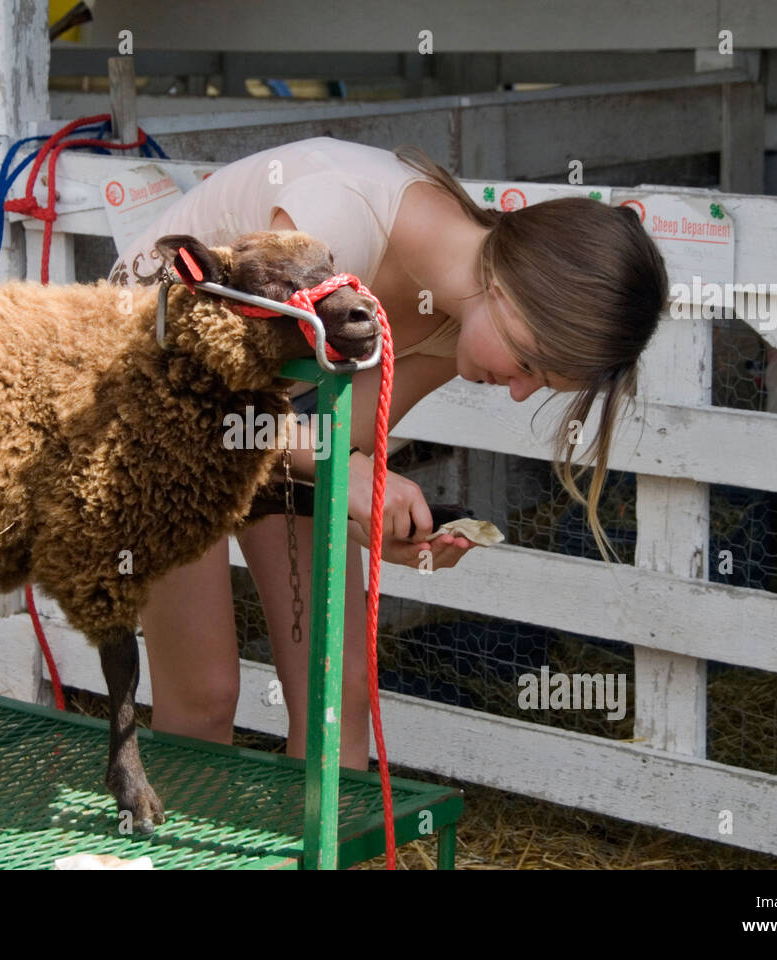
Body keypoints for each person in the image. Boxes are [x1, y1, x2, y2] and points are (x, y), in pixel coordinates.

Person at [109, 136, 668, 769]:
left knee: (337, 693)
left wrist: (375, 521)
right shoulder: (338, 217)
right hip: (154, 394)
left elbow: (337, 441)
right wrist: (343, 474)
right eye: (531, 365)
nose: (517, 393)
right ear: (517, 294)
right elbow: (197, 397)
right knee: (205, 694)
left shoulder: (459, 318)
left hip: (263, 407)